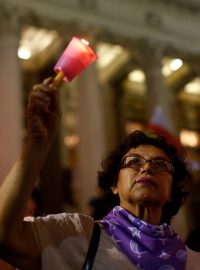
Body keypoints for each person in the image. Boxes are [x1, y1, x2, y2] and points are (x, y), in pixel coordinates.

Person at [0, 77, 200, 270]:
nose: (146, 168)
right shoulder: (77, 236)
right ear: (114, 184)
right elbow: (4, 236)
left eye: (160, 164)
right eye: (134, 162)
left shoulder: (194, 261)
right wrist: (37, 144)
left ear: (172, 189)